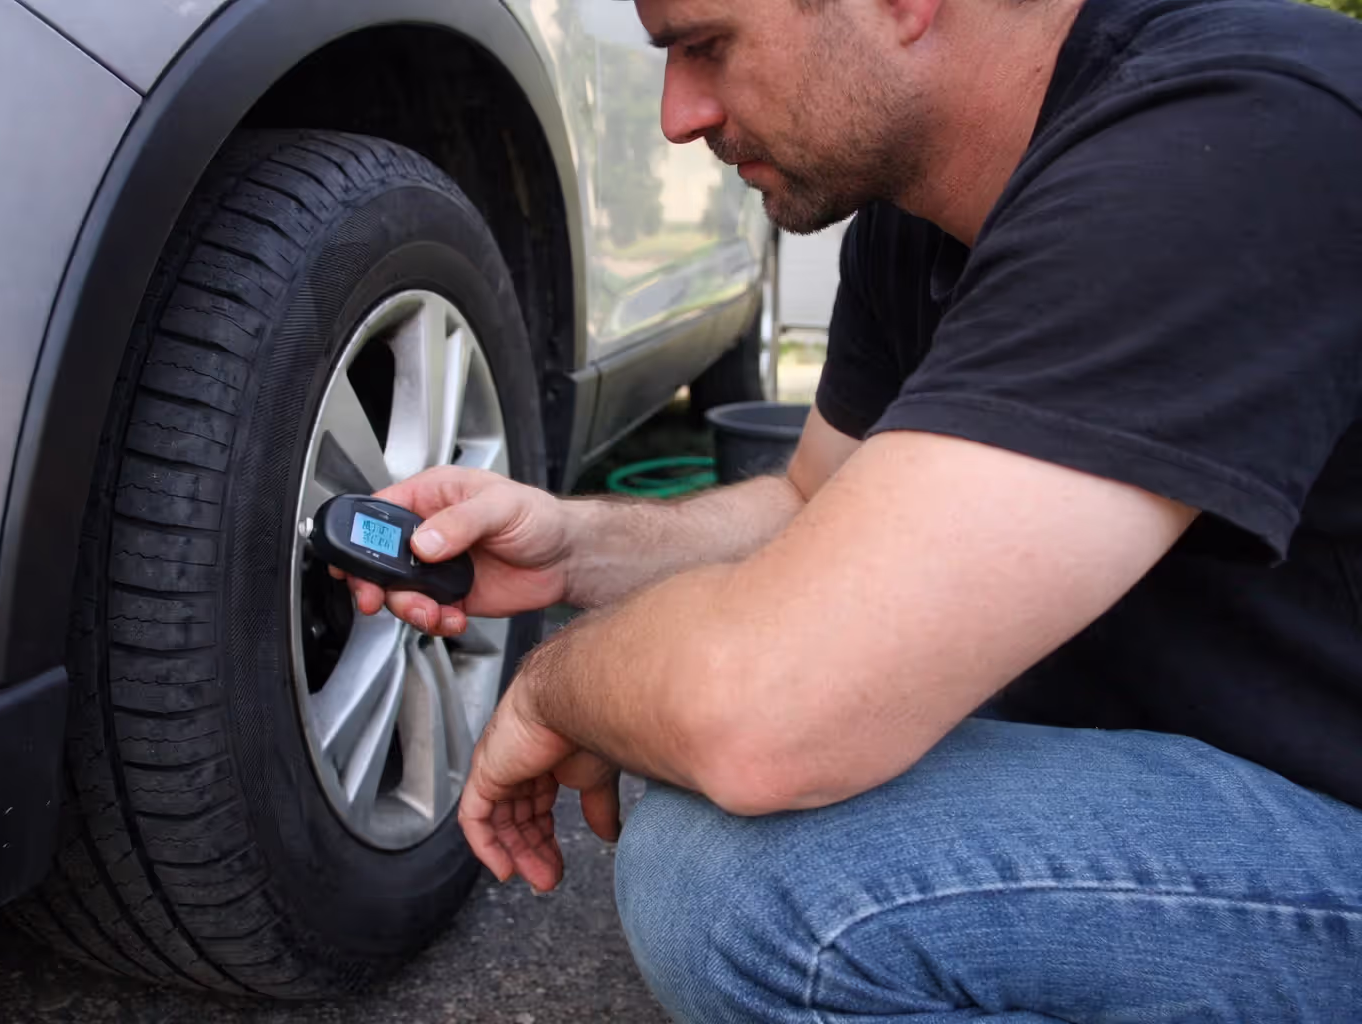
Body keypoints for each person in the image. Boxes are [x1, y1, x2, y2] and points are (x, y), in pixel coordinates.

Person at [334, 0, 1362, 1017]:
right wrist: (571, 552)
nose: (677, 115)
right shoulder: (919, 208)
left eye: (706, 45)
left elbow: (765, 713)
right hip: (1207, 747)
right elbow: (808, 498)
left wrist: (556, 687)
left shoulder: (1228, 136)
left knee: (753, 879)